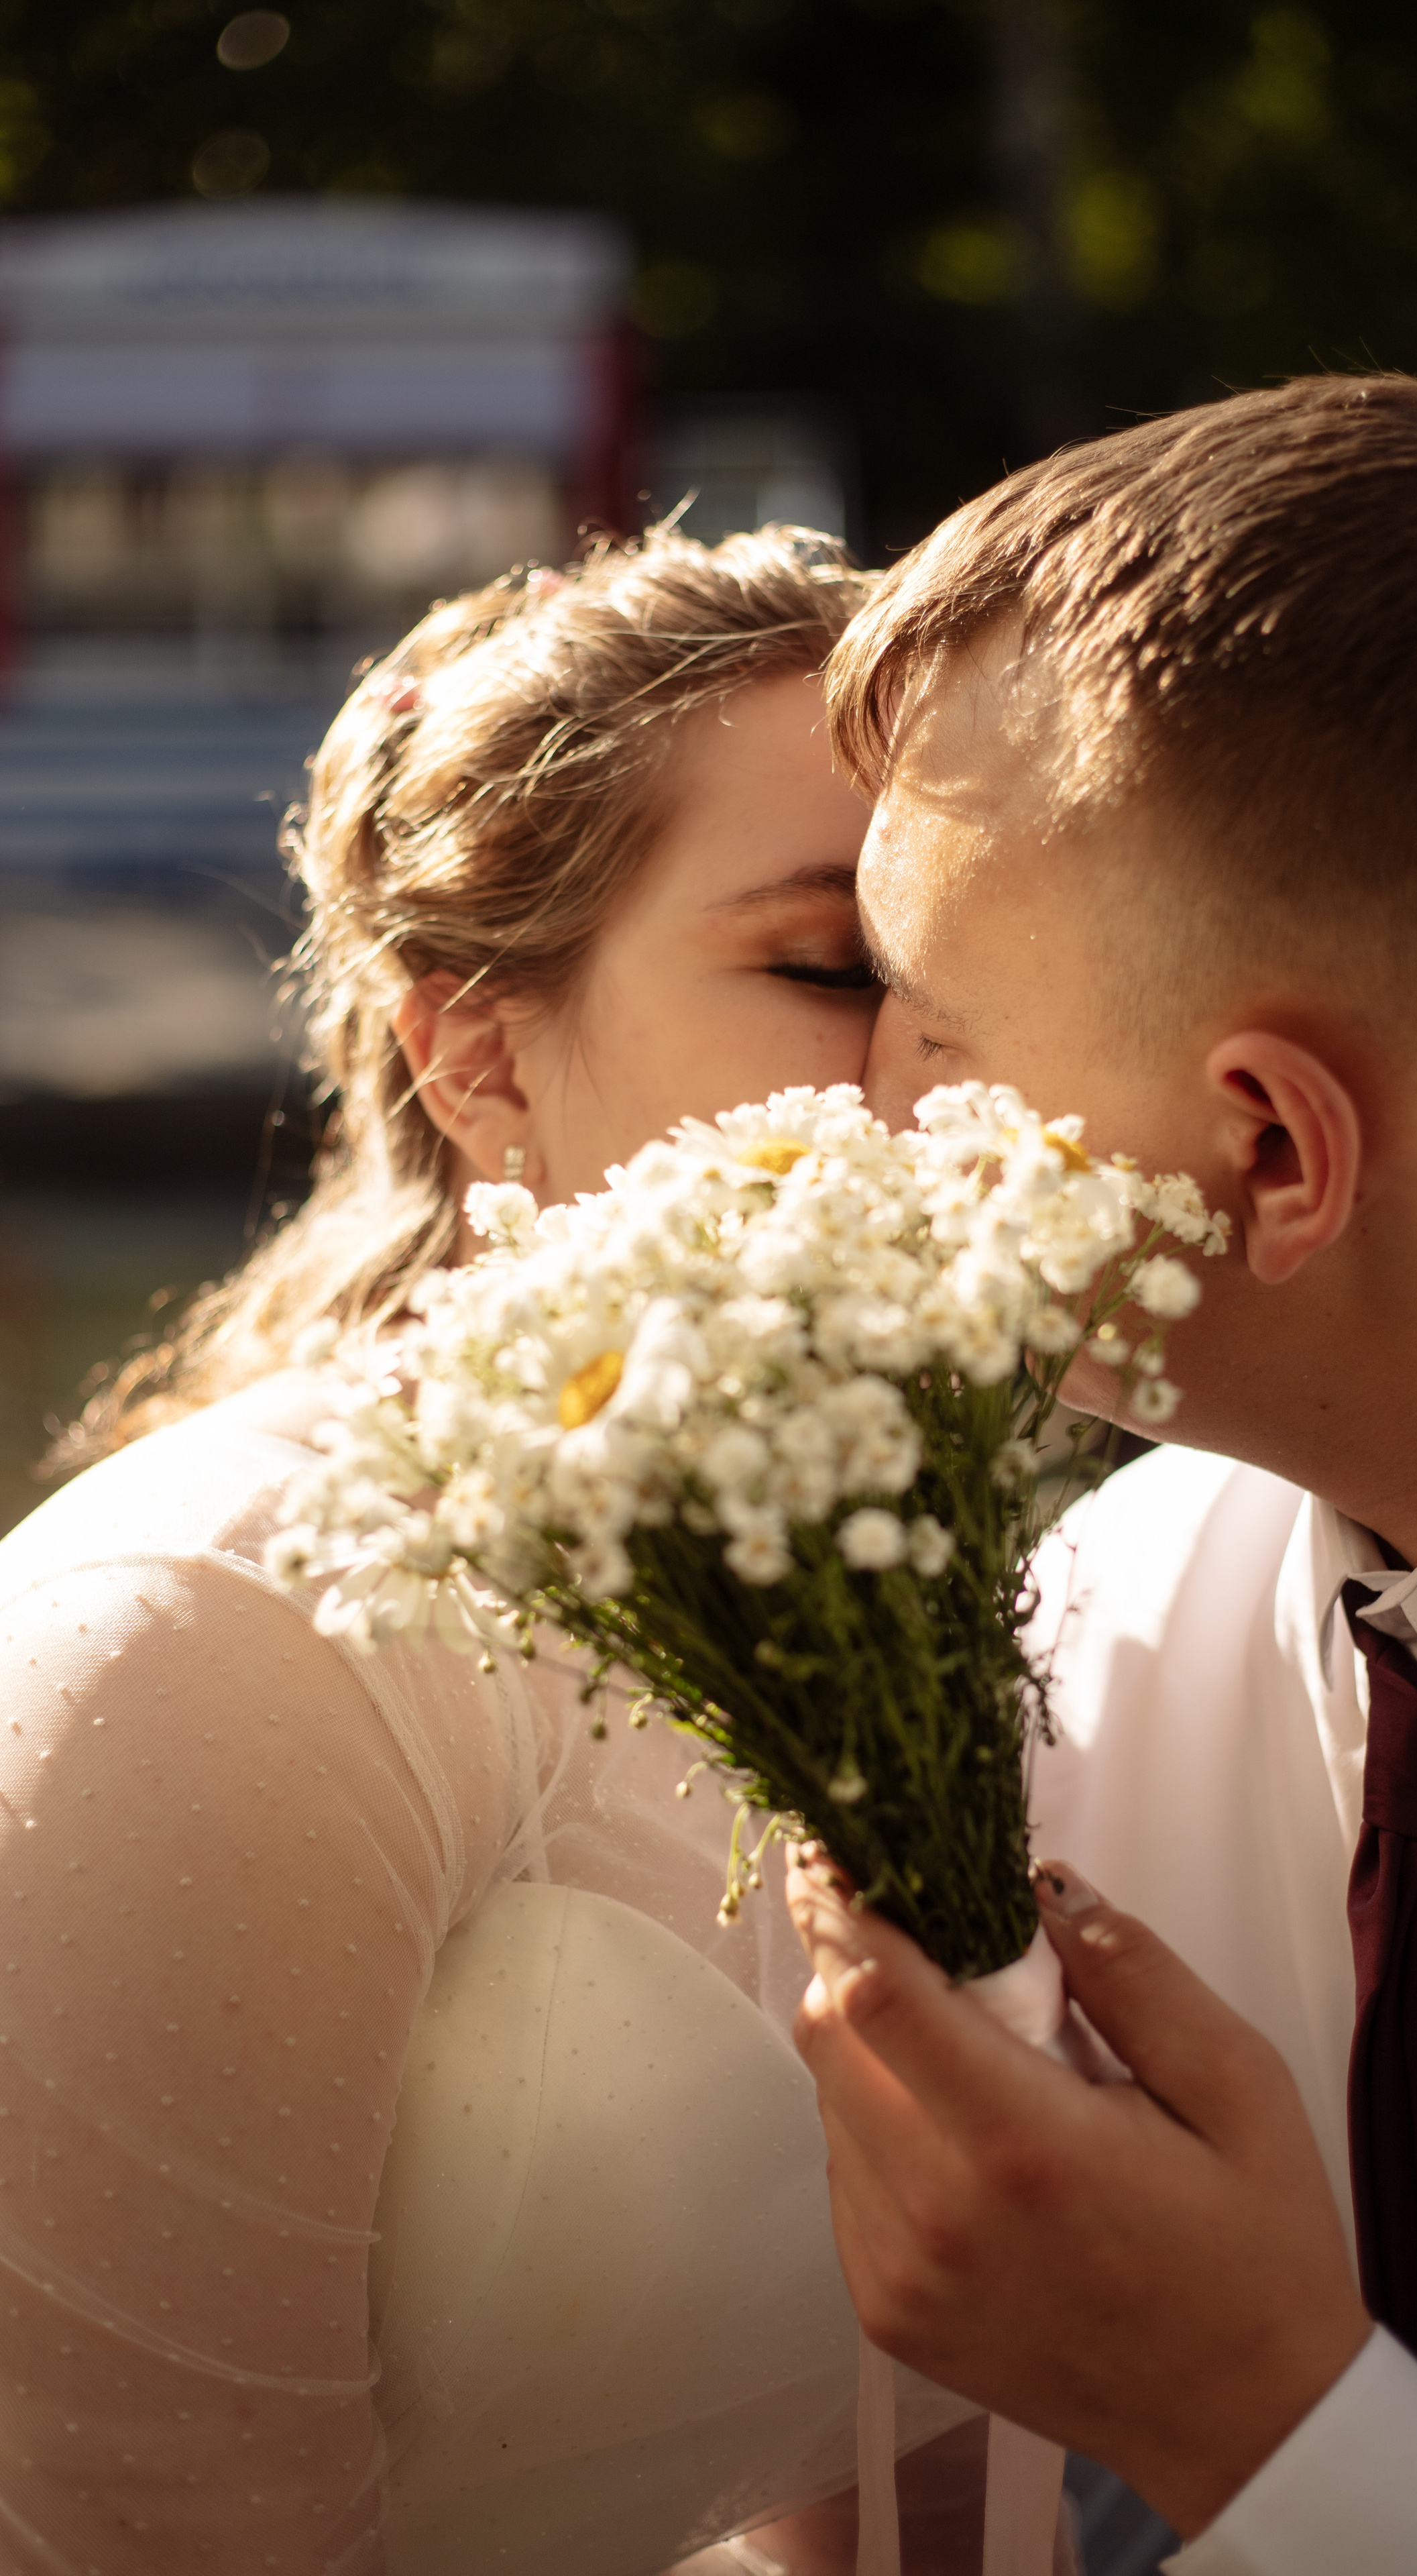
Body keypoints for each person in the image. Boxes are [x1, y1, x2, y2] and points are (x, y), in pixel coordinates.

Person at [787, 376, 1417, 2574]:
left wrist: (1271, 2436)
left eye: (933, 1020)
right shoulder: (1085, 1648)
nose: (859, 1108)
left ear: (1273, 1150)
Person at [0, 526, 989, 2575]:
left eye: (987, 976)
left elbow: (912, 2477)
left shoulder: (926, 1575)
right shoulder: (221, 1638)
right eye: (827, 965)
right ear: (480, 1055)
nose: (943, 1074)